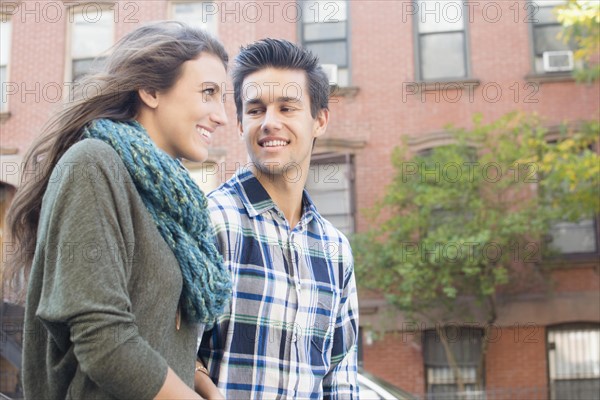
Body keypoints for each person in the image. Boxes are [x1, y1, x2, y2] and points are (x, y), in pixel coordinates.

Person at [4, 21, 231, 400]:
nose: (222, 115)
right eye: (208, 93)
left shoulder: (173, 203)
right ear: (150, 90)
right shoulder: (93, 165)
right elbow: (104, 340)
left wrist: (197, 376)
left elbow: (152, 323)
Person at [198, 38, 360, 399]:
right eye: (256, 110)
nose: (270, 122)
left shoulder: (335, 250)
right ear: (240, 123)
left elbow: (341, 380)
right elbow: (171, 355)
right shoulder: (212, 222)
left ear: (319, 120)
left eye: (287, 108)